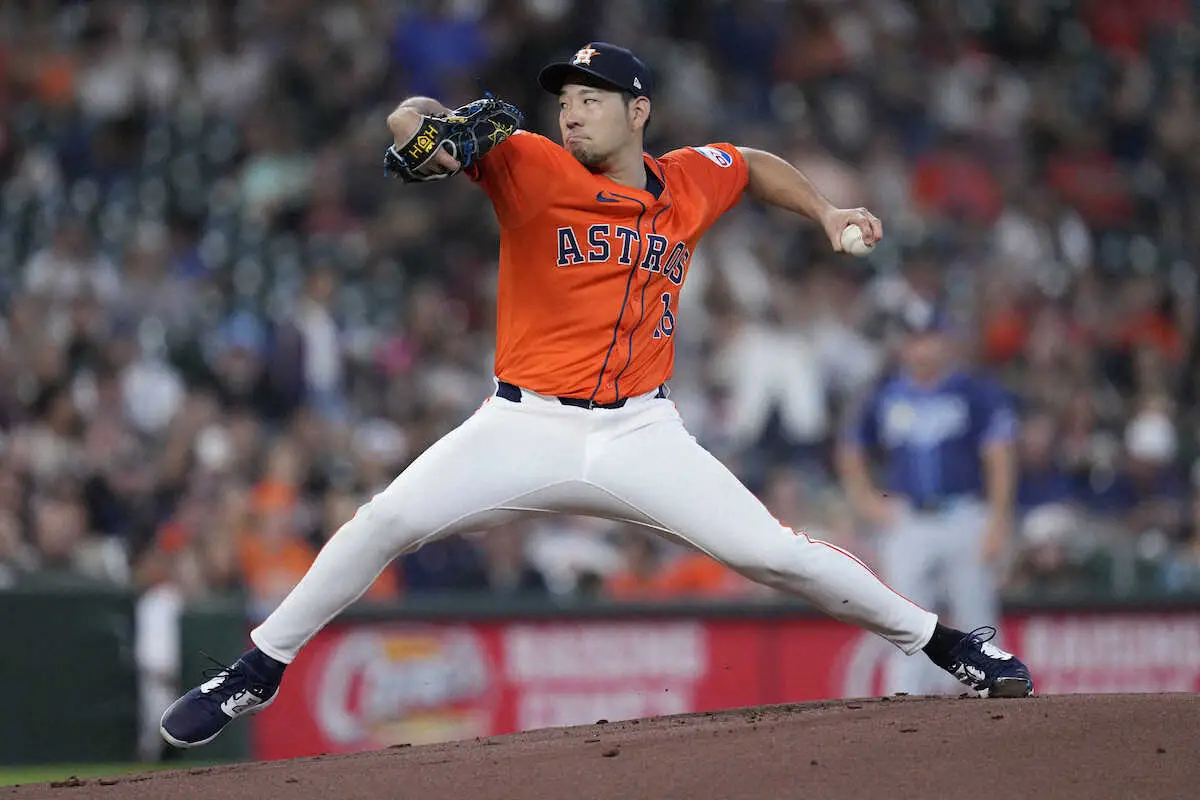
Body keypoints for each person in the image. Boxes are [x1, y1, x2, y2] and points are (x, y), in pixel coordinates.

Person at [160, 42, 1033, 749]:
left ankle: (949, 642)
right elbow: (416, 118)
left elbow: (755, 164)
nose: (571, 108)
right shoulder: (527, 163)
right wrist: (425, 131)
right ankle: (257, 668)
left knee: (776, 553)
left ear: (638, 111)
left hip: (640, 434)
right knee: (383, 520)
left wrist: (829, 210)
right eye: (565, 96)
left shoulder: (688, 179)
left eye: (592, 95)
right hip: (520, 424)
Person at [836, 302, 1019, 695]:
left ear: (945, 341)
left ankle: (996, 703)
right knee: (905, 619)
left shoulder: (973, 392)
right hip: (909, 520)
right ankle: (905, 707)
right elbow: (850, 448)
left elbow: (999, 457)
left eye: (930, 338)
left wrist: (998, 522)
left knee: (976, 616)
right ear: (903, 345)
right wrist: (865, 500)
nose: (923, 348)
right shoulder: (884, 394)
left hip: (965, 515)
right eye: (915, 339)